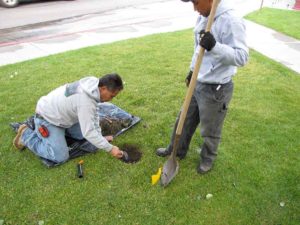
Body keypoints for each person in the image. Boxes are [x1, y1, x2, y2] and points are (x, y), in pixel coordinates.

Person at [156, 0, 249, 174]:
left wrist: (215, 46)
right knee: (184, 120)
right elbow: (197, 50)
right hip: (198, 81)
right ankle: (176, 151)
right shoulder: (204, 16)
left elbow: (242, 57)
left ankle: (207, 160)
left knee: (210, 130)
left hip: (217, 89)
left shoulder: (231, 20)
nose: (195, 9)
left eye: (196, 3)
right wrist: (192, 71)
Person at [13, 73, 125, 164]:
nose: (111, 99)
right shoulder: (86, 101)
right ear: (103, 88)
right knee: (60, 156)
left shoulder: (92, 86)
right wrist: (110, 149)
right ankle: (26, 134)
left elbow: (94, 115)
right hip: (48, 118)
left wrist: (100, 137)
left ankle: (62, 132)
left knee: (84, 136)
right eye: (112, 96)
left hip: (62, 115)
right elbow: (89, 132)